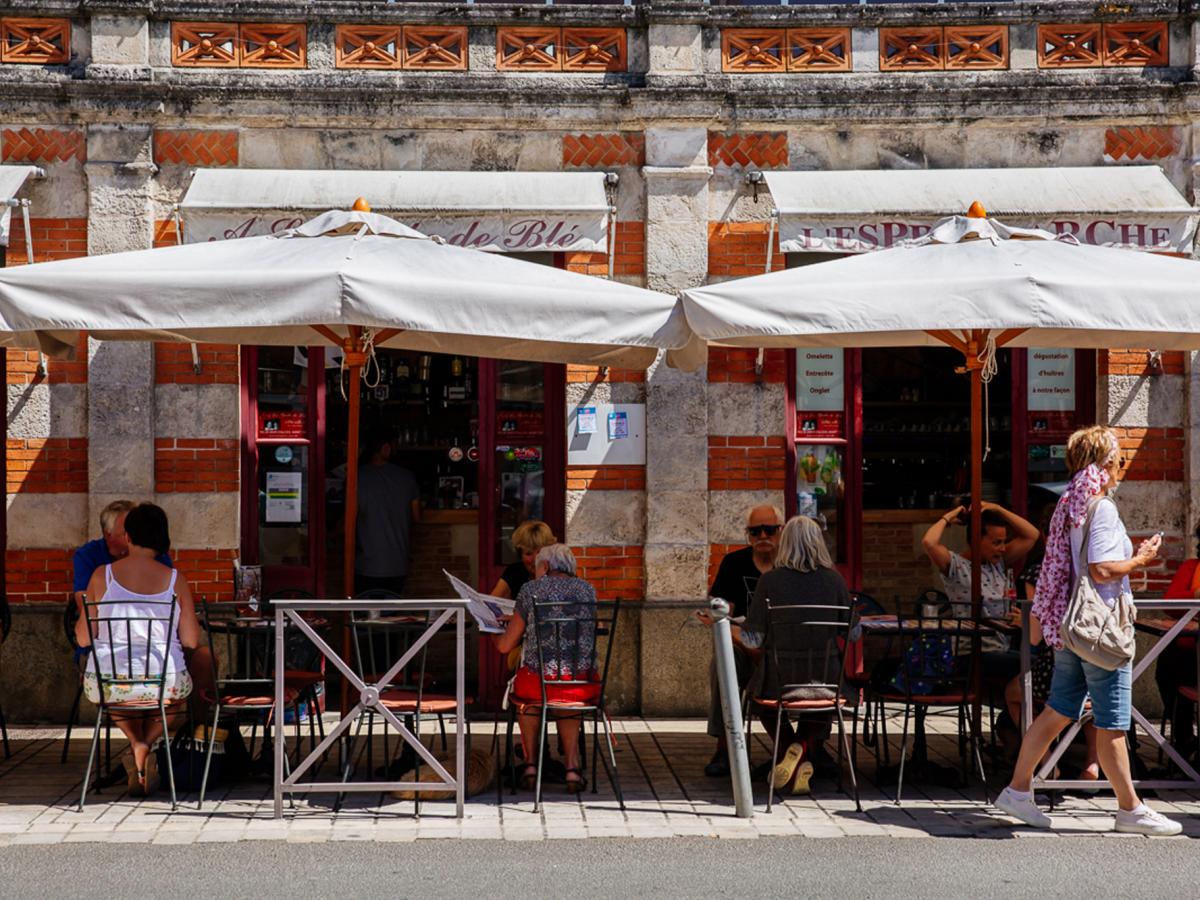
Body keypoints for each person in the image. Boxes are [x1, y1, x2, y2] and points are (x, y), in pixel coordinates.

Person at [993, 425, 1181, 835]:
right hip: (1100, 631)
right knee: (1112, 720)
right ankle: (1131, 809)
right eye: (1119, 461)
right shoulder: (1102, 508)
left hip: (1071, 627)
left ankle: (1018, 791)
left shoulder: (1070, 506)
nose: (1120, 469)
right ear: (1107, 462)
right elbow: (1101, 568)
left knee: (1058, 710)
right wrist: (1141, 559)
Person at [75, 504, 205, 797]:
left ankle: (136, 743)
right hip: (164, 682)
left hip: (110, 683)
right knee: (172, 699)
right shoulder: (175, 579)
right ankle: (148, 743)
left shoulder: (100, 576)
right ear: (164, 538)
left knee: (115, 695)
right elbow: (191, 640)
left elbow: (84, 638)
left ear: (129, 536)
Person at [734, 515, 850, 794]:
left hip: (779, 680)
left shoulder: (770, 580)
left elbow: (753, 637)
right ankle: (803, 751)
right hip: (826, 678)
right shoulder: (834, 580)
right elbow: (852, 632)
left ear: (784, 544)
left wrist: (734, 628)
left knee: (761, 703)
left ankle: (790, 750)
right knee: (824, 705)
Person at [495, 543, 599, 793]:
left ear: (547, 566)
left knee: (528, 700)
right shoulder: (588, 590)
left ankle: (530, 765)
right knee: (565, 698)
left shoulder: (531, 590)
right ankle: (572, 768)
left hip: (538, 683)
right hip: (580, 683)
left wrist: (493, 630)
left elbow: (505, 646)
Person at [696, 504, 784, 777]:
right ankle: (725, 748)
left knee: (818, 663)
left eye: (768, 530)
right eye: (754, 531)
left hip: (784, 649)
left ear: (781, 532)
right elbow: (722, 612)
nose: (762, 536)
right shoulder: (735, 563)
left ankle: (812, 748)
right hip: (744, 646)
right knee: (725, 664)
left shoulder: (789, 566)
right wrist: (721, 620)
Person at [921, 500, 1039, 682]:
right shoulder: (956, 566)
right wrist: (950, 516)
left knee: (1039, 662)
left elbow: (1032, 535)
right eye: (996, 542)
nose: (1003, 548)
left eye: (1004, 542)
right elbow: (929, 542)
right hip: (970, 653)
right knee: (1036, 665)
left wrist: (998, 509)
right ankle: (1014, 709)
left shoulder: (998, 563)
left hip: (1000, 648)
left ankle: (1011, 710)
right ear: (977, 539)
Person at [73, 500, 172, 613]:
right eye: (127, 531)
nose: (134, 535)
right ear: (108, 534)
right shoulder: (88, 555)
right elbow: (83, 600)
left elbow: (170, 595)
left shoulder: (156, 554)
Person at [355, 428, 421, 595]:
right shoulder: (407, 477)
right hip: (398, 562)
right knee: (393, 615)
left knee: (366, 615)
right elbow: (417, 516)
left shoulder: (357, 478)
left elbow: (349, 517)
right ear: (386, 448)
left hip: (366, 563)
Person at [1154, 520, 1200, 757]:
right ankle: (1184, 740)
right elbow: (1171, 603)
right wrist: (1195, 595)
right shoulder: (1192, 567)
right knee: (1168, 663)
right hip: (1189, 651)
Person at [490, 520, 557, 601]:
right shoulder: (514, 571)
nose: (535, 559)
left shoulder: (558, 572)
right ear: (520, 555)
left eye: (540, 552)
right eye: (528, 553)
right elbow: (491, 602)